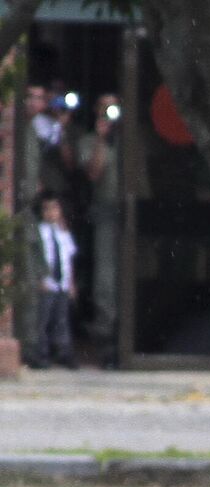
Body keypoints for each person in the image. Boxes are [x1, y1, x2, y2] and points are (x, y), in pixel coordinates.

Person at [78, 94, 123, 364]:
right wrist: (101, 139)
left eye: (114, 108)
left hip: (135, 212)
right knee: (105, 279)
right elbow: (92, 173)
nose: (110, 114)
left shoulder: (131, 138)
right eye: (105, 109)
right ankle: (106, 340)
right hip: (106, 211)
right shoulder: (89, 141)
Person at [27, 194, 79, 370]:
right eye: (46, 209)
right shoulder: (39, 231)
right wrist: (38, 278)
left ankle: (63, 352)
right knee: (42, 320)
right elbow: (36, 258)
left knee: (61, 320)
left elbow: (67, 258)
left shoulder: (63, 232)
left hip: (62, 283)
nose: (51, 213)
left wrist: (71, 283)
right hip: (47, 283)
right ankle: (40, 353)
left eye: (55, 208)